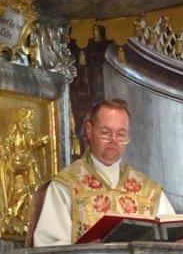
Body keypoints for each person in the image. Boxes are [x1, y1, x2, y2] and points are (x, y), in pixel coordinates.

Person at [32, 98, 175, 245]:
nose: (113, 140)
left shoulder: (148, 191)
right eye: (106, 132)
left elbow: (172, 236)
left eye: (121, 134)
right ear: (89, 130)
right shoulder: (66, 185)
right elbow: (48, 246)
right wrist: (89, 252)